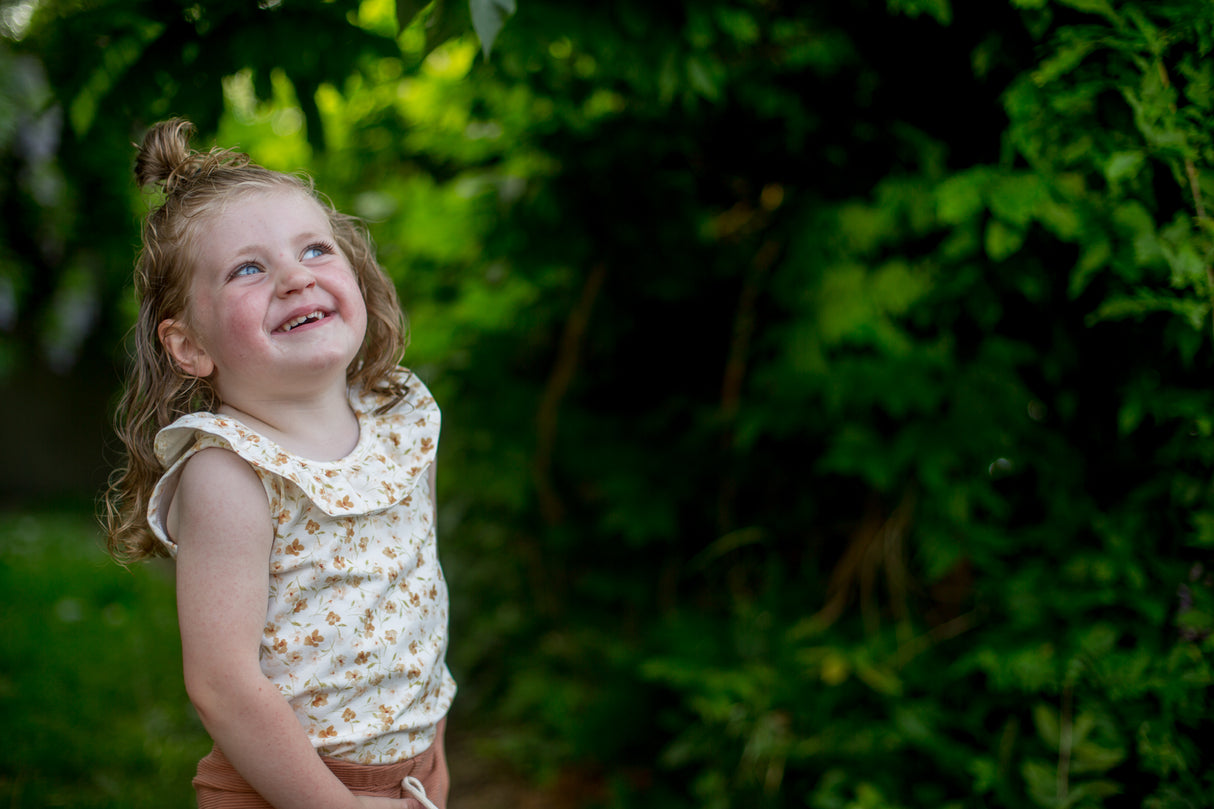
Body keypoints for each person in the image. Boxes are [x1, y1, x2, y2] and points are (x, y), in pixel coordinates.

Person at [103, 119, 455, 809]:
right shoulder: (229, 471)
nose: (296, 278)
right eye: (248, 268)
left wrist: (432, 750)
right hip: (282, 790)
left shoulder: (399, 417)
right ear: (189, 345)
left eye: (315, 249)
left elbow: (419, 593)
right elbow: (222, 683)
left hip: (415, 773)